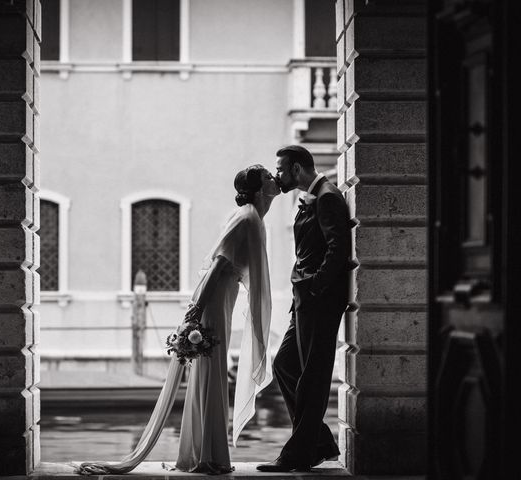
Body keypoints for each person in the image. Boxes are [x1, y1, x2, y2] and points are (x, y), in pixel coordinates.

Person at [76, 164, 280, 475]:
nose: (273, 178)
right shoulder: (248, 218)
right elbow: (218, 266)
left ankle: (203, 454)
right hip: (213, 301)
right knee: (211, 375)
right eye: (267, 176)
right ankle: (208, 457)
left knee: (209, 375)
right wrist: (196, 312)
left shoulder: (251, 217)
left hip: (220, 299)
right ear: (256, 188)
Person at [257, 145, 352, 472]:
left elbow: (338, 248)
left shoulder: (326, 196)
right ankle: (320, 442)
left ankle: (297, 456)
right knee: (284, 364)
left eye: (281, 169)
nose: (277, 176)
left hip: (318, 301)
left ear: (297, 169)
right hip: (306, 302)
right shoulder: (316, 195)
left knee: (312, 377)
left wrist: (315, 286)